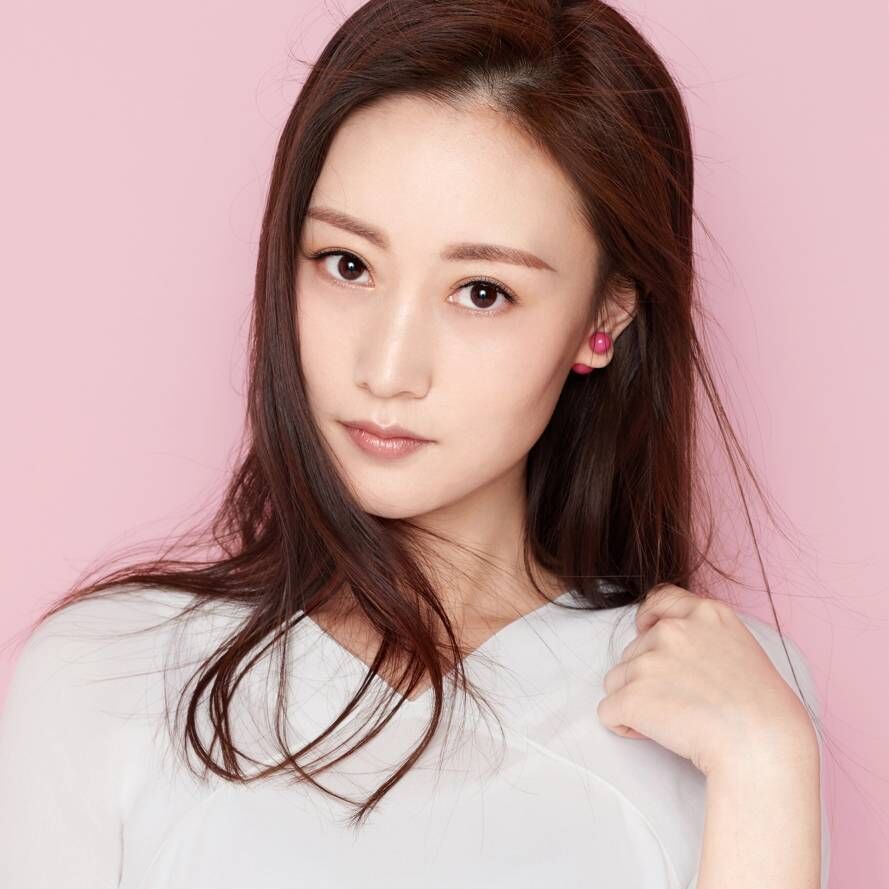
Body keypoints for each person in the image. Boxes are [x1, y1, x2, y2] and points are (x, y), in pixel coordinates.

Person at [0, 1, 830, 887]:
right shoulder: (110, 674)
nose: (388, 368)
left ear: (604, 317)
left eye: (481, 291)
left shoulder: (727, 700)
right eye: (347, 264)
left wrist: (767, 763)